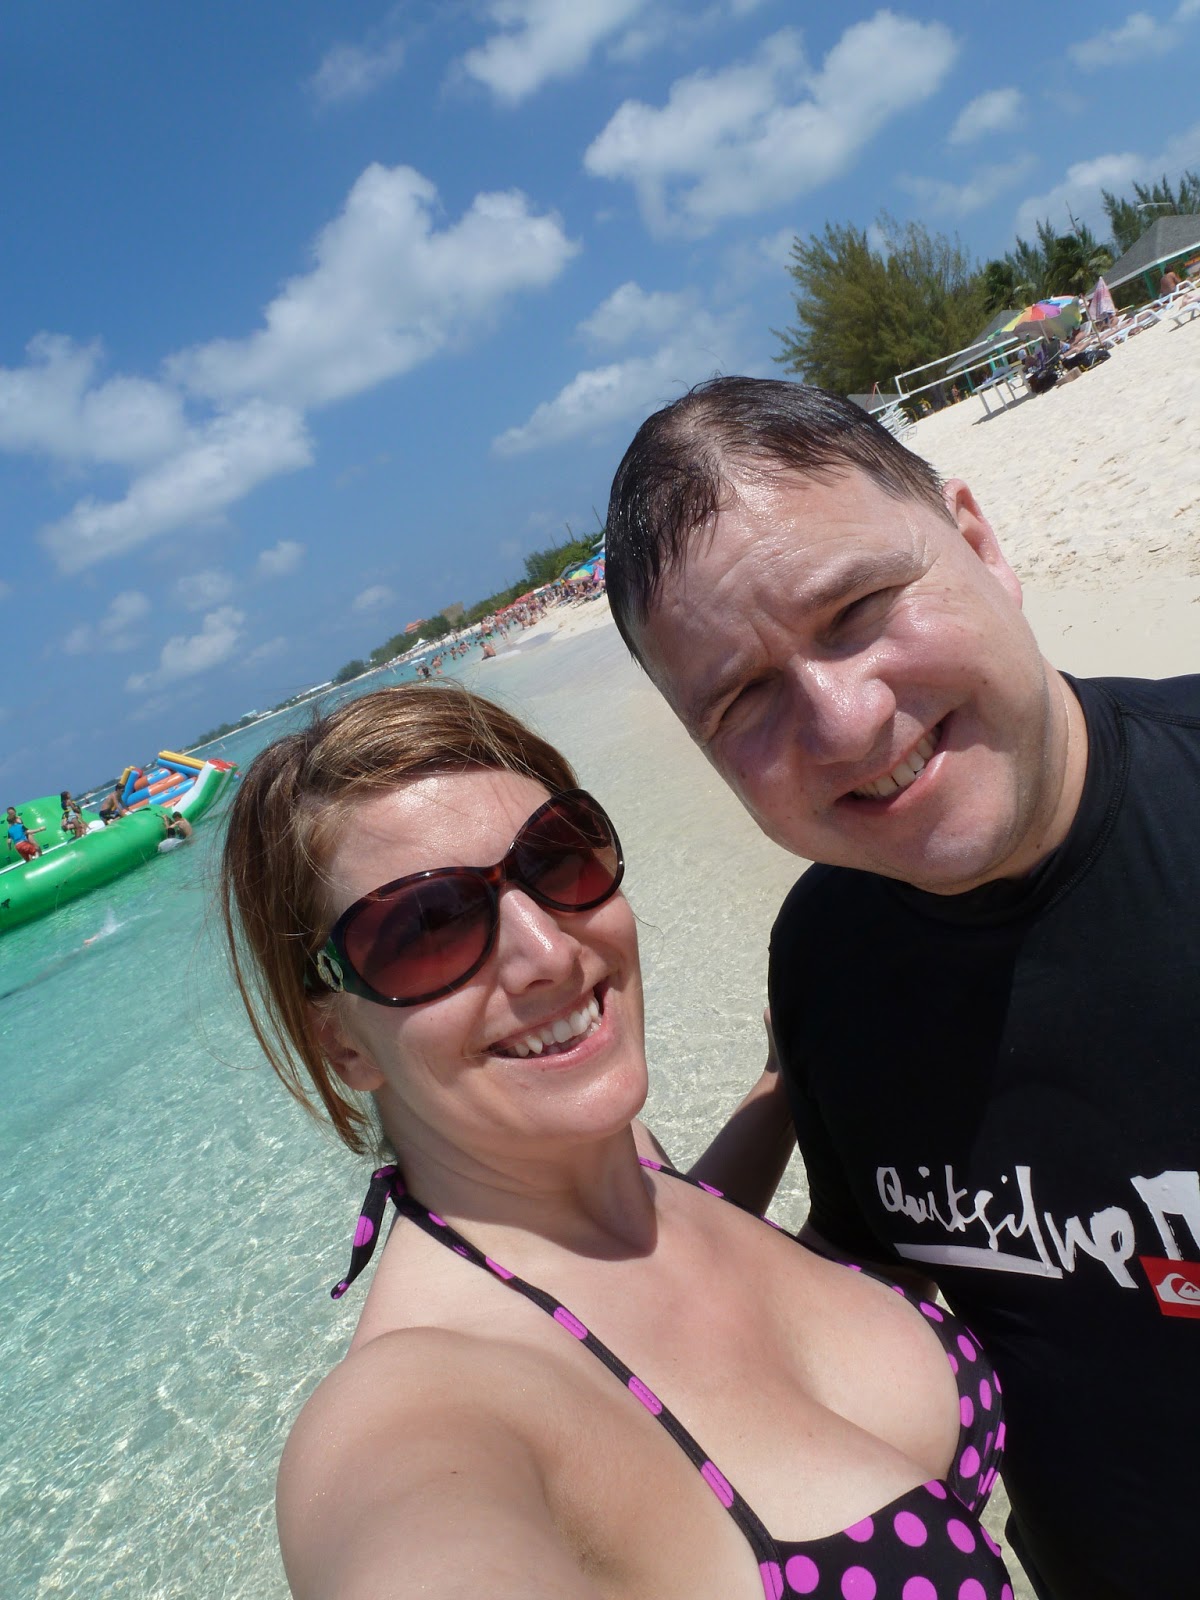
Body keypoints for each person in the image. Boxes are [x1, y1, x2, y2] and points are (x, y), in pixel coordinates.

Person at [603, 376, 1200, 1600]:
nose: (844, 721)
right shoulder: (825, 963)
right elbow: (868, 1279)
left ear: (978, 540)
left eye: (857, 610)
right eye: (744, 698)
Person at [220, 683, 1015, 1600]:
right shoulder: (412, 1417)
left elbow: (670, 1229)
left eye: (555, 858)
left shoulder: (612, 1159)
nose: (549, 953)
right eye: (429, 927)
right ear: (339, 1042)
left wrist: (780, 1088)